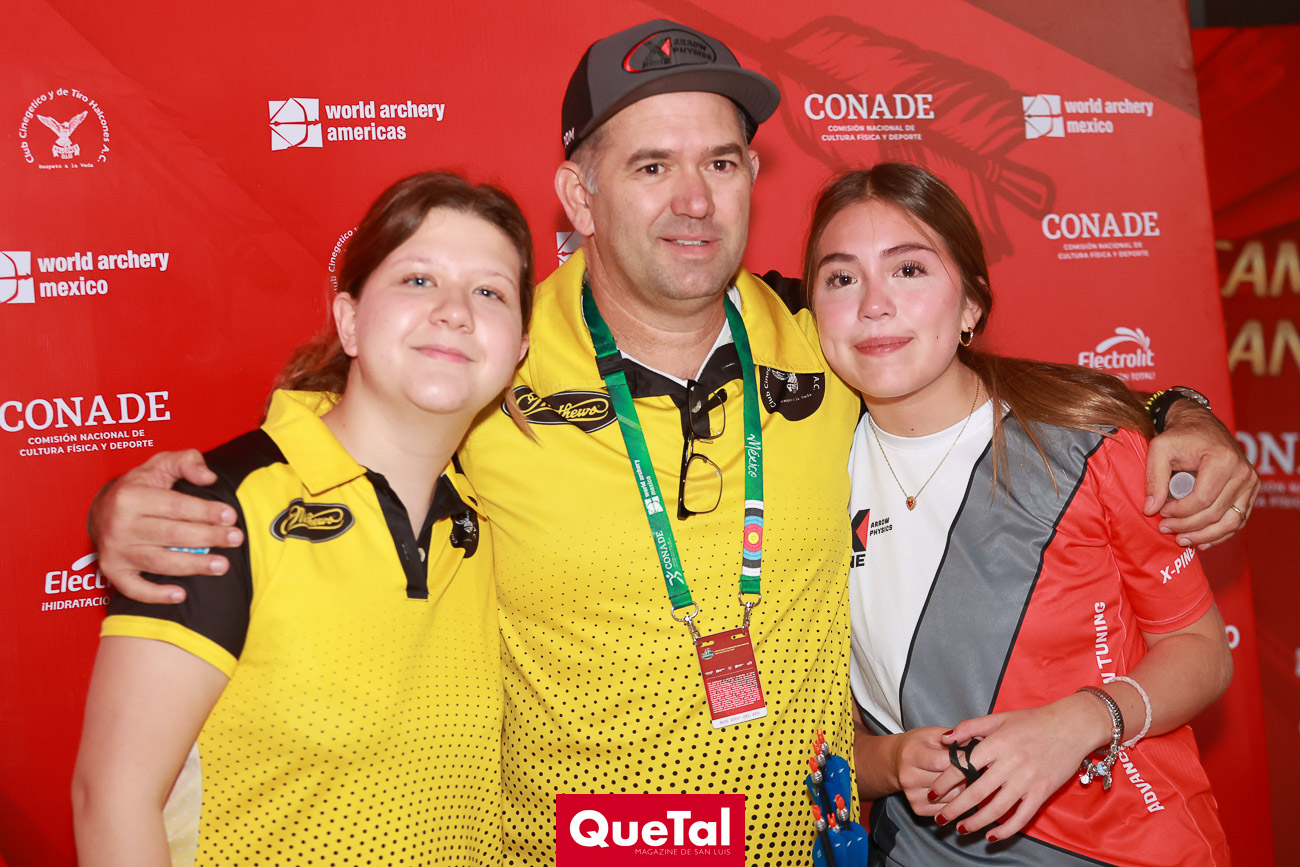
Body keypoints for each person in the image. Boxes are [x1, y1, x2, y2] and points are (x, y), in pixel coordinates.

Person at [86, 20, 1256, 864]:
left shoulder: (821, 333)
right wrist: (133, 506)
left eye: (721, 161)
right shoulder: (490, 354)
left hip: (806, 843)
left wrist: (1177, 413)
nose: (693, 199)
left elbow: (986, 372)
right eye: (650, 165)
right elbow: (330, 435)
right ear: (578, 196)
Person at [71, 172, 533, 866]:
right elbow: (112, 800)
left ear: (519, 349)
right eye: (418, 280)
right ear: (349, 320)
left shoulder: (495, 514)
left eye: (489, 292)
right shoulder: (216, 508)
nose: (454, 312)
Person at [805, 162, 1232, 864]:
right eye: (841, 278)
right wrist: (893, 761)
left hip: (1127, 845)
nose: (874, 304)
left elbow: (1203, 651)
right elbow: (836, 739)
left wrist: (1081, 721)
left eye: (909, 270)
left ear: (971, 305)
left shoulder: (1085, 446)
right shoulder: (804, 471)